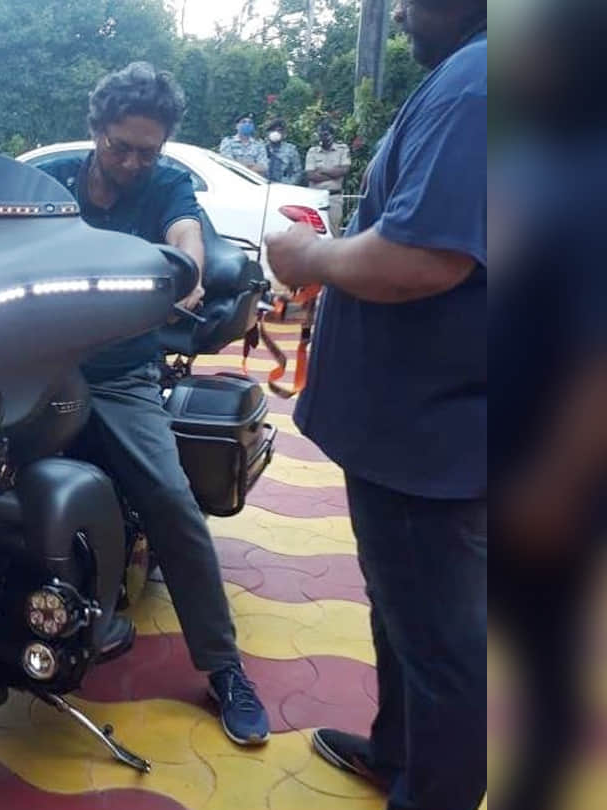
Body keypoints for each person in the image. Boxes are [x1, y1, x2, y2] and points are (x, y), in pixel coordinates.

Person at [264, 1, 487, 808]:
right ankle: (398, 753)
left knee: (440, 646)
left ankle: (430, 789)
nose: (397, 12)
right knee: (406, 612)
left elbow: (420, 259)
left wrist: (308, 255)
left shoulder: (478, 86)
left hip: (430, 434)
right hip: (426, 430)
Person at [40, 62, 271, 748]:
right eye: (121, 147)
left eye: (148, 150)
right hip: (31, 366)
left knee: (172, 499)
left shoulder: (166, 185)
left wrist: (185, 272)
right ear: (97, 130)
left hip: (118, 374)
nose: (134, 163)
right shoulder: (50, 184)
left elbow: (186, 238)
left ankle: (223, 666)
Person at [304, 121, 352, 234]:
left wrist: (322, 170)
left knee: (334, 231)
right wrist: (334, 174)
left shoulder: (342, 149)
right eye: (320, 134)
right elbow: (311, 175)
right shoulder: (312, 151)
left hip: (334, 197)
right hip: (315, 197)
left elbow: (344, 170)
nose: (323, 137)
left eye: (325, 134)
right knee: (314, 232)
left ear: (332, 135)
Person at [264, 118, 302, 185]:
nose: (275, 133)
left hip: (284, 185)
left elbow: (297, 172)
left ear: (284, 134)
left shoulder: (291, 149)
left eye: (279, 130)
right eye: (273, 130)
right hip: (263, 184)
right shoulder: (261, 148)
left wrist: (288, 184)